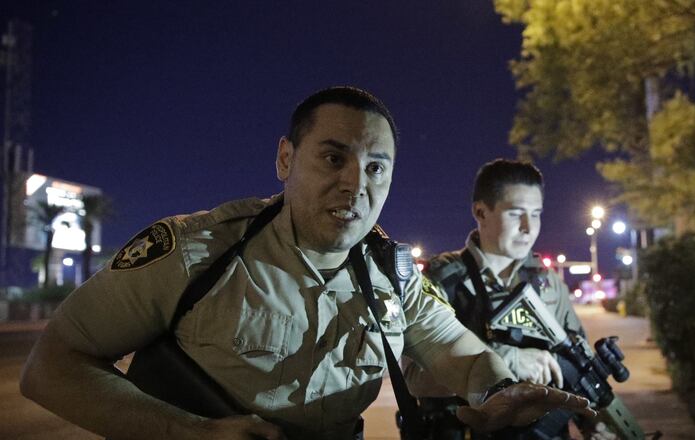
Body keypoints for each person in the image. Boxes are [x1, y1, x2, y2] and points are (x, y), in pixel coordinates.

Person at [19, 87, 593, 440]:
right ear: (285, 158)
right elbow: (50, 365)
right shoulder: (201, 251)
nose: (355, 183)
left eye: (376, 168)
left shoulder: (393, 277)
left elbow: (464, 358)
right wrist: (190, 432)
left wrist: (495, 393)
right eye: (334, 157)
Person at [404, 159, 615, 439]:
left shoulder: (548, 282)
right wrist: (510, 361)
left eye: (536, 214)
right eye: (516, 214)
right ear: (481, 212)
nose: (529, 227)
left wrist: (592, 422)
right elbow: (414, 378)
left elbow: (576, 366)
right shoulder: (442, 279)